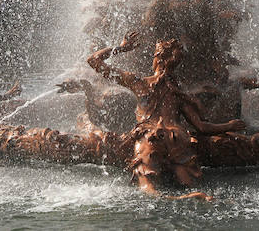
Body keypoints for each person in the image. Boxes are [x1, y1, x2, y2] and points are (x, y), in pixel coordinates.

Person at [88, 31, 246, 201]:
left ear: (157, 59)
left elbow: (94, 61)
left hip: (150, 136)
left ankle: (173, 198)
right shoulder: (179, 94)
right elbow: (201, 127)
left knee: (149, 187)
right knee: (190, 182)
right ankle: (204, 197)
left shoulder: (139, 83)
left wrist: (122, 47)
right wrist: (230, 125)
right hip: (176, 136)